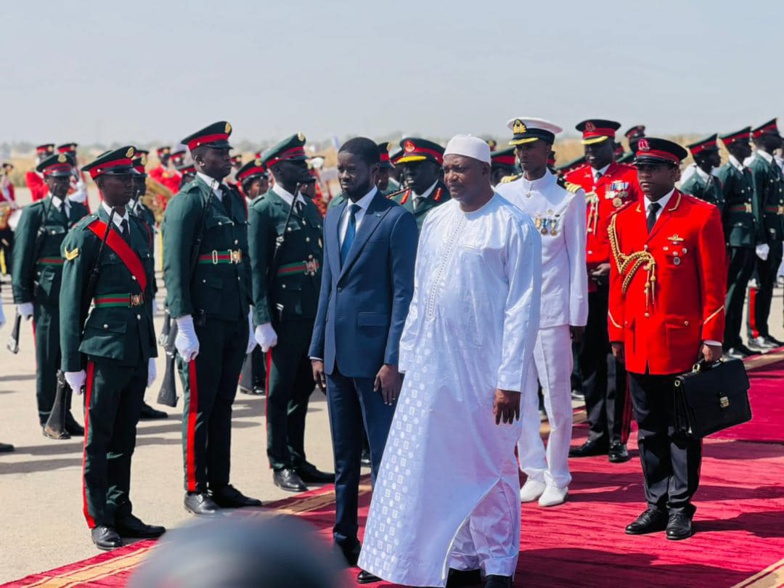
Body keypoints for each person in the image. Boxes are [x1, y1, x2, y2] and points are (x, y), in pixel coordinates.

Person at [359, 135, 541, 588]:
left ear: (485, 171)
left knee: (492, 466)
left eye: (460, 169)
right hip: (434, 368)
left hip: (487, 373)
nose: (451, 178)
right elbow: (421, 299)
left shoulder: (514, 226)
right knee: (441, 465)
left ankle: (499, 563)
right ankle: (460, 558)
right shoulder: (437, 220)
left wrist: (510, 381)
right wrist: (405, 362)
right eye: (446, 170)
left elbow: (523, 309)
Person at [308, 136, 418, 572]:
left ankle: (382, 549)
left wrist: (394, 360)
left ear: (376, 172)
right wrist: (317, 349)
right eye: (341, 169)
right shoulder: (333, 215)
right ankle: (343, 540)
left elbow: (404, 296)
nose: (344, 176)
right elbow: (327, 289)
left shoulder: (395, 220)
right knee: (344, 458)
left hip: (376, 364)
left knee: (385, 460)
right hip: (336, 359)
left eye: (352, 169)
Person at [609, 137, 726, 540]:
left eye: (654, 169)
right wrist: (616, 332)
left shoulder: (700, 215)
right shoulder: (622, 219)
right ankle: (655, 504)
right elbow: (618, 282)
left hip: (680, 343)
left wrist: (712, 338)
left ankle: (680, 507)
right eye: (640, 168)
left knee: (681, 430)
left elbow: (714, 285)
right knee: (649, 430)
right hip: (638, 342)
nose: (644, 176)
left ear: (675, 172)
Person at [59, 146, 165, 550]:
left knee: (126, 435)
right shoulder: (85, 234)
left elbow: (147, 294)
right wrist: (71, 363)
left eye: (133, 177)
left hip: (135, 346)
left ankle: (122, 509)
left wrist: (151, 350)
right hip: (102, 349)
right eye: (122, 178)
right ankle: (99, 517)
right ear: (101, 183)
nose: (132, 184)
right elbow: (70, 305)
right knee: (99, 439)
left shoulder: (139, 226)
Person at [163, 121, 261, 516]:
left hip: (233, 316)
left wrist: (251, 311)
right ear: (200, 158)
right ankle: (194, 487)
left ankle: (220, 483)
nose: (228, 158)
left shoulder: (234, 199)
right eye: (220, 153)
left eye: (228, 152)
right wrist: (182, 322)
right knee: (200, 407)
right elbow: (174, 266)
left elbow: (245, 260)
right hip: (202, 320)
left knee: (224, 403)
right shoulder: (187, 200)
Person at [497, 118, 587, 507]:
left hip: (552, 311)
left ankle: (559, 473)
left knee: (557, 400)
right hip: (514, 316)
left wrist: (577, 316)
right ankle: (533, 470)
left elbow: (577, 260)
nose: (521, 155)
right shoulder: (504, 193)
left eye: (529, 147)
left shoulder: (568, 196)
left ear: (547, 151)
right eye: (518, 148)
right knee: (521, 400)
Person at [249, 134, 333, 492]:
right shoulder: (263, 209)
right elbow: (257, 268)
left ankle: (298, 457)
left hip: (309, 312)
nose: (303, 169)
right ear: (277, 168)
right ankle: (280, 461)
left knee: (301, 390)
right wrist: (262, 318)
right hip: (283, 314)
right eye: (296, 164)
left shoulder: (307, 206)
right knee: (279, 392)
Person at [564, 119, 640, 463]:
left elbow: (640, 228)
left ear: (612, 145)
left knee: (615, 358)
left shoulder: (629, 178)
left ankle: (617, 437)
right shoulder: (574, 181)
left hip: (617, 277)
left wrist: (616, 263)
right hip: (584, 281)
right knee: (590, 358)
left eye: (598, 147)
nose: (592, 153)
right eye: (587, 148)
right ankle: (596, 432)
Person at [11, 152, 90, 437]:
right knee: (47, 359)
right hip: (46, 295)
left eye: (65, 179)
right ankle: (48, 417)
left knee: (69, 357)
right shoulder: (35, 213)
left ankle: (65, 414)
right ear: (46, 181)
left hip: (73, 294)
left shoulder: (80, 212)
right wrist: (22, 298)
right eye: (56, 179)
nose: (61, 184)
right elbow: (21, 257)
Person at [129, 153, 169, 421]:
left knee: (144, 348)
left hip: (144, 290)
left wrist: (152, 289)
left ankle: (139, 400)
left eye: (143, 179)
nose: (143, 185)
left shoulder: (144, 211)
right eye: (137, 179)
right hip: (122, 294)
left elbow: (148, 255)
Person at [715, 127, 760, 358]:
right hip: (732, 241)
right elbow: (719, 211)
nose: (750, 147)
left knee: (740, 291)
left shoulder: (743, 171)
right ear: (733, 147)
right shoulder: (727, 173)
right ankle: (725, 342)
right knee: (730, 294)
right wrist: (722, 243)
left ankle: (735, 339)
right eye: (744, 144)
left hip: (745, 239)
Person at [746, 119, 784, 349]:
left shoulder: (771, 165)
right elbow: (757, 205)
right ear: (762, 139)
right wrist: (760, 238)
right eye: (774, 135)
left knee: (769, 283)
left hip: (775, 232)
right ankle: (755, 332)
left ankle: (765, 330)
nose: (779, 138)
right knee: (759, 283)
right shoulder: (758, 166)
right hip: (765, 236)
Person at [237, 157, 269, 397]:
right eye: (258, 183)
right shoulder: (245, 209)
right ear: (247, 186)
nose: (264, 186)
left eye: (265, 181)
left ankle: (259, 376)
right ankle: (249, 379)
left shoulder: (263, 206)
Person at [388, 137, 450, 230]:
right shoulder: (394, 202)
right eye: (406, 166)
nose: (409, 172)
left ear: (435, 170)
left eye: (415, 165)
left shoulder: (449, 201)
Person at [680, 135, 724, 212]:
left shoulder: (716, 182)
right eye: (715, 154)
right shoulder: (690, 187)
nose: (719, 157)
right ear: (702, 158)